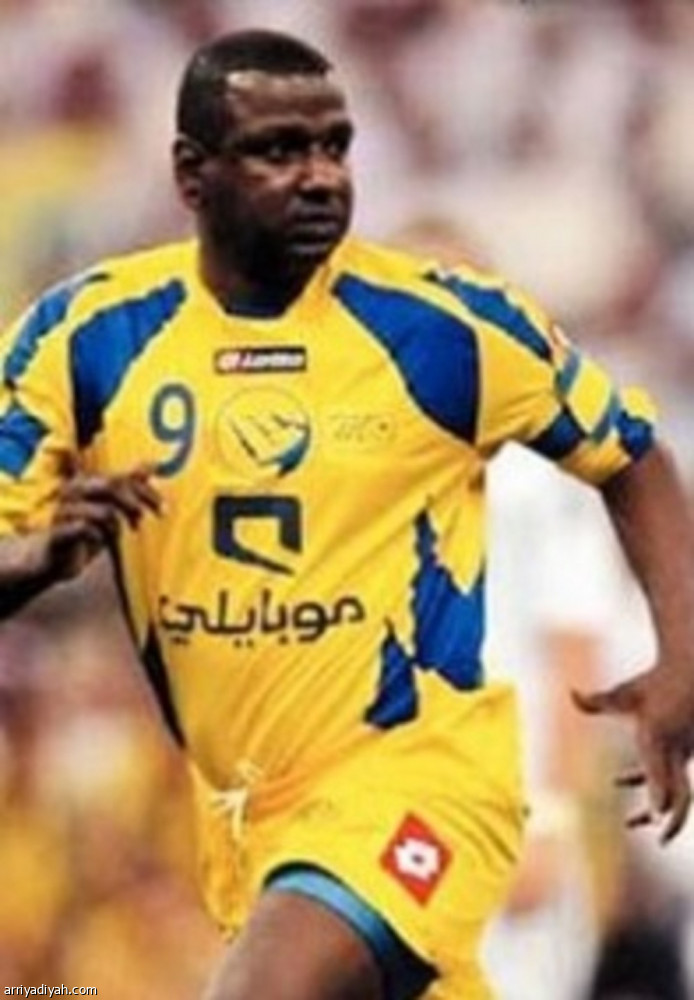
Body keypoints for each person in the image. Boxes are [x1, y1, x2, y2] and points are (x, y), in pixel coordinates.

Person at [1, 28, 694, 1000]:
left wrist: (682, 660)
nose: (321, 176)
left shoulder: (443, 328)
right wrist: (34, 562)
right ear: (191, 174)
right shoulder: (87, 336)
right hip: (247, 819)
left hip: (423, 780)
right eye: (280, 150)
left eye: (335, 146)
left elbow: (632, 454)